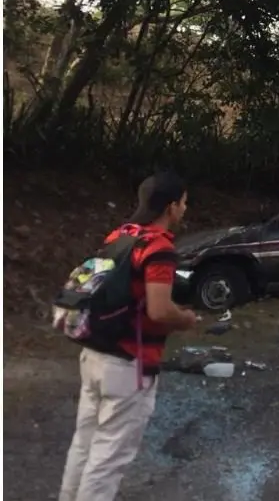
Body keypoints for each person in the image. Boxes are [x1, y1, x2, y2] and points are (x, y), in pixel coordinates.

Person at [59, 172, 198, 501]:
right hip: (127, 366)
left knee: (85, 442)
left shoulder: (119, 236)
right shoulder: (159, 248)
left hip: (93, 353)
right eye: (184, 202)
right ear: (171, 206)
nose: (185, 209)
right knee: (108, 457)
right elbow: (160, 310)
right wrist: (186, 318)